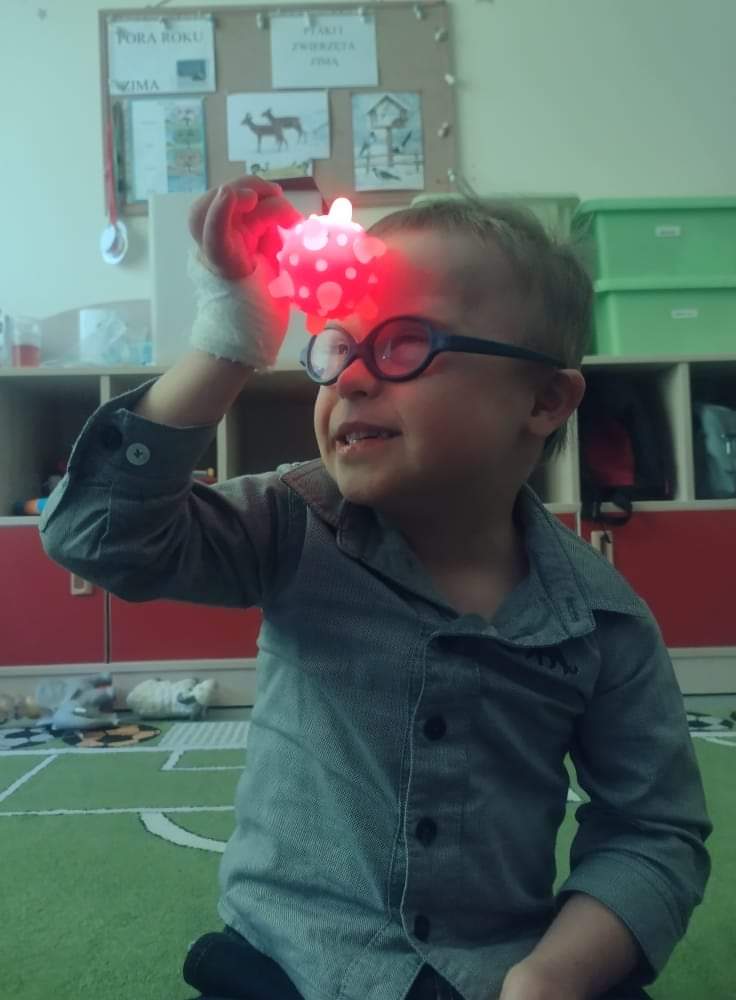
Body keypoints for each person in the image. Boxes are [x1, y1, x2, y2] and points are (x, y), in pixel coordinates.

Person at [40, 177, 711, 1000]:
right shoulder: (293, 520)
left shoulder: (602, 619)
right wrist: (231, 336)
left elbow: (654, 829)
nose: (351, 378)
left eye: (403, 345)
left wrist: (551, 975)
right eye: (336, 347)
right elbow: (96, 536)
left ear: (544, 399)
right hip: (288, 962)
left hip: (491, 971)